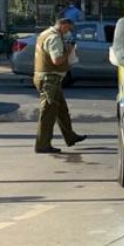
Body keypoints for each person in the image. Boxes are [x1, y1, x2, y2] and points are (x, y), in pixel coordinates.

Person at [33, 18, 87, 154]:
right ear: (62, 25)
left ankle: (70, 136)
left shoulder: (45, 33)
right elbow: (56, 60)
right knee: (48, 113)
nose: (68, 32)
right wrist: (69, 51)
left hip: (49, 79)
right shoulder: (54, 38)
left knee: (61, 110)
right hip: (49, 80)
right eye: (68, 29)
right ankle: (42, 145)